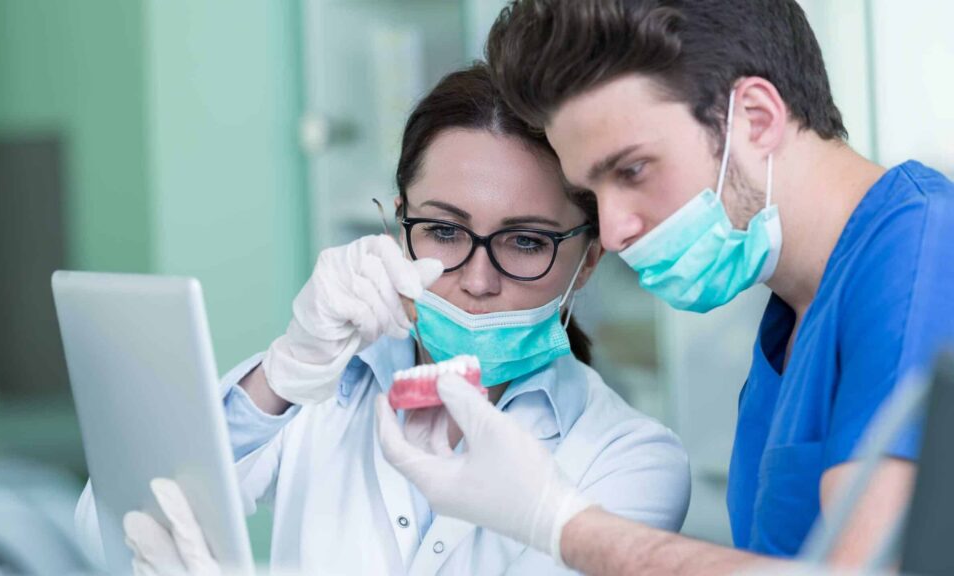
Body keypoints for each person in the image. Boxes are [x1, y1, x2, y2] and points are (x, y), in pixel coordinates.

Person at [377, 1, 954, 574]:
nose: (614, 232)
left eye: (631, 171)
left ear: (755, 118)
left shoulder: (923, 257)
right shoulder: (795, 313)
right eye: (593, 190)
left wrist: (561, 523)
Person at [75, 64, 691, 575]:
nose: (477, 280)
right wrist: (281, 378)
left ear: (586, 261)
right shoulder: (323, 386)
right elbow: (104, 527)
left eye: (525, 242)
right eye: (445, 232)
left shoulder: (631, 462)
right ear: (400, 224)